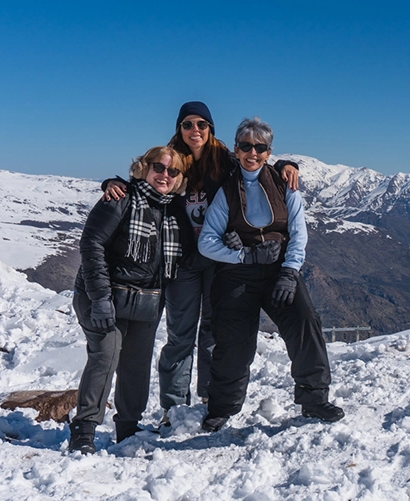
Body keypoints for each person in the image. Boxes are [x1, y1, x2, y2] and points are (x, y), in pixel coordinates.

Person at [103, 101, 299, 428]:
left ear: (211, 129)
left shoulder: (224, 158)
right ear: (179, 128)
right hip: (182, 262)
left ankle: (210, 400)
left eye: (202, 125)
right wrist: (111, 183)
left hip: (218, 259)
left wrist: (287, 165)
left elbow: (257, 162)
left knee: (212, 331)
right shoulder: (168, 160)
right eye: (188, 124)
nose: (195, 131)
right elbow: (140, 181)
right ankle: (174, 407)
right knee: (180, 334)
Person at [197, 116, 344, 432]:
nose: (253, 153)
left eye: (260, 147)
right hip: (237, 274)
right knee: (233, 342)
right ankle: (222, 408)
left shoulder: (284, 184)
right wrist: (242, 254)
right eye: (246, 146)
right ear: (236, 150)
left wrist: (290, 273)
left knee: (305, 324)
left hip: (279, 271)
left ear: (269, 152)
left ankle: (314, 400)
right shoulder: (226, 191)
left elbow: (298, 232)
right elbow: (207, 241)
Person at [69, 146, 188, 454]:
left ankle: (128, 428)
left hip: (145, 300)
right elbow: (91, 244)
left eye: (172, 171)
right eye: (158, 168)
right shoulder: (120, 199)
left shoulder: (174, 210)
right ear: (143, 168)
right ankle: (84, 429)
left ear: (179, 179)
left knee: (136, 365)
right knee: (106, 355)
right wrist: (100, 297)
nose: (164, 175)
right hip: (103, 295)